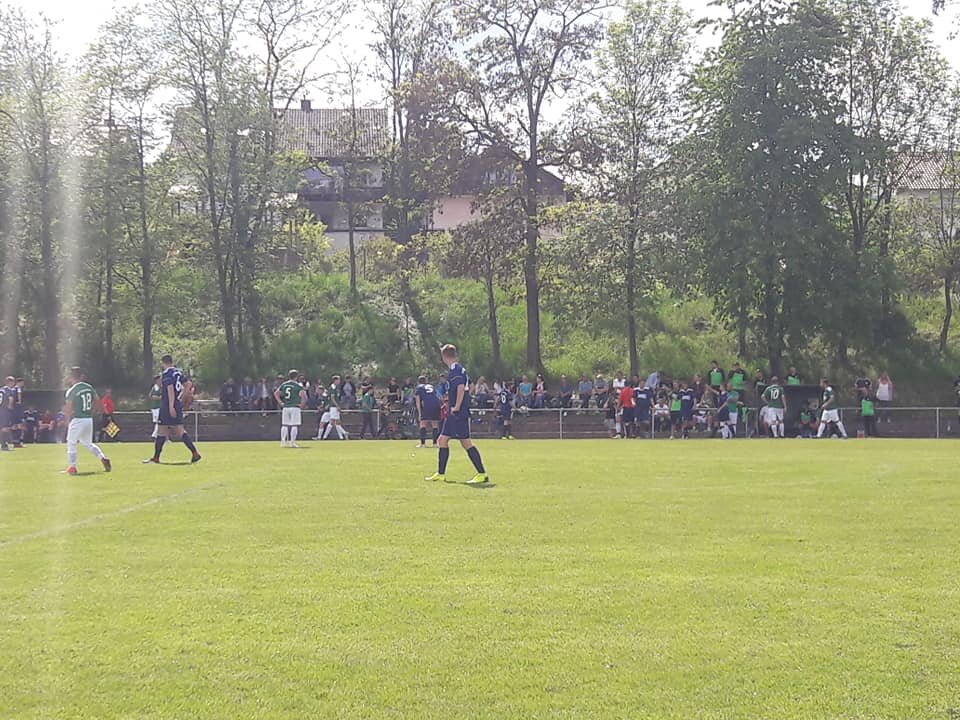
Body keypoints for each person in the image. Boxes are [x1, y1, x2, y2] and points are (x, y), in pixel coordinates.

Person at [424, 344, 488, 484]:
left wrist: (458, 405)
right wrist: (463, 400)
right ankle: (443, 473)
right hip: (458, 411)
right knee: (455, 442)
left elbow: (461, 387)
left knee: (451, 441)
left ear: (444, 356)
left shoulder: (454, 370)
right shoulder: (460, 369)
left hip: (457, 412)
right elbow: (470, 386)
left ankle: (481, 474)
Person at [145, 354, 202, 464]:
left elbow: (170, 389)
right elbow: (188, 384)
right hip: (176, 403)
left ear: (163, 363)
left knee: (162, 430)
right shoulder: (178, 372)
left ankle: (156, 458)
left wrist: (171, 406)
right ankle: (195, 453)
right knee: (179, 430)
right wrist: (180, 398)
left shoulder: (167, 373)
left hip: (167, 404)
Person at [62, 367, 111, 475]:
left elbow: (69, 407)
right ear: (81, 376)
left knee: (71, 442)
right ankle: (102, 457)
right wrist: (94, 412)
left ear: (71, 377)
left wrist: (67, 420)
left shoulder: (72, 390)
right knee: (88, 443)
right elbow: (97, 401)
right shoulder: (89, 387)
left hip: (78, 419)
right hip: (88, 419)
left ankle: (72, 466)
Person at [275, 370, 306, 447]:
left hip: (286, 407)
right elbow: (303, 396)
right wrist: (302, 405)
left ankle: (282, 442)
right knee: (294, 425)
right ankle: (292, 442)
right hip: (295, 406)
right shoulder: (298, 386)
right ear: (296, 377)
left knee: (284, 425)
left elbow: (276, 393)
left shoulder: (284, 384)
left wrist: (280, 402)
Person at [414, 376, 441, 448]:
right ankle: (435, 444)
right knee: (435, 424)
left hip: (427, 405)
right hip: (436, 404)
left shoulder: (419, 387)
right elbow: (436, 396)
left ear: (418, 382)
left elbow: (418, 401)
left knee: (423, 423)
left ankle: (422, 444)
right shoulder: (431, 386)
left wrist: (419, 413)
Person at [0, 376, 14, 451]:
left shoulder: (1, 390)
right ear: (10, 382)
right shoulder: (9, 390)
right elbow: (10, 399)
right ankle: (4, 445)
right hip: (5, 411)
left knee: (2, 427)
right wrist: (10, 407)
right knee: (5, 428)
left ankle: (4, 444)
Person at [11, 377, 24, 447]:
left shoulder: (12, 389)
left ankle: (14, 441)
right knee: (19, 425)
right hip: (17, 409)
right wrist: (19, 402)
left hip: (13, 410)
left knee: (14, 425)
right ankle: (18, 442)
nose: (23, 384)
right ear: (19, 382)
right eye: (22, 382)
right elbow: (19, 398)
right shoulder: (18, 389)